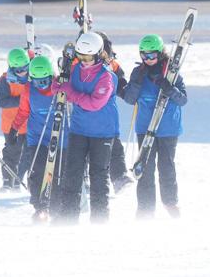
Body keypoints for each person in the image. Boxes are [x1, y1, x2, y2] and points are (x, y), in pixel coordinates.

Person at [52, 32, 119, 224]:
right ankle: (68, 216)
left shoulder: (106, 76)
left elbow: (94, 103)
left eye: (88, 58)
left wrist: (70, 92)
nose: (84, 62)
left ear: (98, 54)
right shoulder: (76, 70)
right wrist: (58, 86)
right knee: (72, 172)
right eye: (80, 57)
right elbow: (64, 87)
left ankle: (99, 218)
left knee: (98, 176)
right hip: (79, 130)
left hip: (102, 132)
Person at [121, 34, 187, 219]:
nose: (148, 60)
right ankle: (145, 208)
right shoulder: (138, 72)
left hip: (168, 129)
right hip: (145, 128)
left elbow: (183, 100)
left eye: (152, 56)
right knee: (145, 168)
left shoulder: (171, 72)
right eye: (144, 55)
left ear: (160, 53)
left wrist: (169, 88)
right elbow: (129, 99)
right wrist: (136, 82)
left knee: (166, 167)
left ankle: (170, 202)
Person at [12, 56, 68, 223]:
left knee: (58, 173)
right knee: (38, 172)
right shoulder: (29, 90)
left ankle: (57, 207)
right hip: (38, 138)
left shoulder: (61, 86)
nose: (41, 85)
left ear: (51, 76)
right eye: (37, 82)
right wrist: (14, 128)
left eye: (45, 81)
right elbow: (23, 111)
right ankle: (40, 207)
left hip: (61, 138)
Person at [96, 31, 134, 193]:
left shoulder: (113, 64)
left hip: (107, 114)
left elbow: (122, 86)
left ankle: (119, 177)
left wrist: (134, 92)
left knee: (114, 145)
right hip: (85, 113)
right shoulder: (80, 63)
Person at [0, 48, 28, 192]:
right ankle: (8, 182)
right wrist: (23, 101)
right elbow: (1, 101)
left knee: (28, 155)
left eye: (25, 68)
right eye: (18, 69)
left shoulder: (32, 78)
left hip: (28, 125)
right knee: (11, 153)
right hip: (11, 125)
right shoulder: (4, 80)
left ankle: (19, 180)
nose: (22, 72)